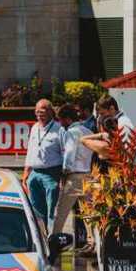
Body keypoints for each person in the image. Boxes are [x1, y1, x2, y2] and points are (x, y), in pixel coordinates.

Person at [52, 104, 93, 247]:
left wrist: (64, 173)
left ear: (68, 119)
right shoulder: (88, 131)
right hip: (87, 175)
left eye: (61, 120)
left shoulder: (71, 132)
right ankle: (93, 243)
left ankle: (54, 241)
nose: (60, 123)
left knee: (61, 213)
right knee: (89, 215)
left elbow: (69, 154)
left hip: (73, 177)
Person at [22, 99, 64, 231]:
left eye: (42, 111)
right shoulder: (35, 128)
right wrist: (26, 172)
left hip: (51, 174)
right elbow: (30, 150)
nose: (39, 114)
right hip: (34, 173)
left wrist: (63, 176)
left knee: (52, 210)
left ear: (51, 112)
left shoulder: (59, 129)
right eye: (37, 111)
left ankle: (52, 236)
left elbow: (65, 154)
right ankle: (41, 235)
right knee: (36, 210)